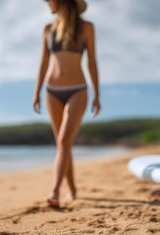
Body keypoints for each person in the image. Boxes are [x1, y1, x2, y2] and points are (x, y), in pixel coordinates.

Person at [32, 0, 100, 207]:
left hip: (77, 90)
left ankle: (54, 192)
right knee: (64, 144)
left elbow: (92, 62)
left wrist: (97, 94)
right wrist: (36, 93)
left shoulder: (86, 27)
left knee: (63, 142)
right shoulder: (47, 29)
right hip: (52, 92)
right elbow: (43, 63)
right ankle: (72, 189)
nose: (47, 3)